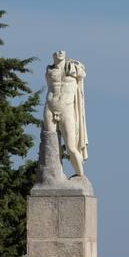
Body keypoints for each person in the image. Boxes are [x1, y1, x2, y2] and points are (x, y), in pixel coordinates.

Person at [43, 50, 88, 178]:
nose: (59, 52)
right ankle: (56, 176)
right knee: (51, 143)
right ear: (52, 56)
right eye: (56, 52)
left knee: (71, 147)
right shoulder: (49, 70)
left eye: (62, 51)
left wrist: (75, 64)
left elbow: (83, 74)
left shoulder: (74, 67)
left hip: (67, 109)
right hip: (50, 107)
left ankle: (80, 176)